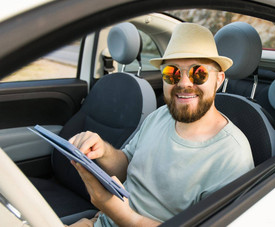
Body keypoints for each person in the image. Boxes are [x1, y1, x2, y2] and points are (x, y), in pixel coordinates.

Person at [69, 23, 254, 227]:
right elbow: (127, 166)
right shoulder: (160, 116)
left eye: (198, 73)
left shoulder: (232, 156)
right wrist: (103, 151)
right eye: (172, 73)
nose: (183, 83)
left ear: (218, 80)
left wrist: (122, 214)